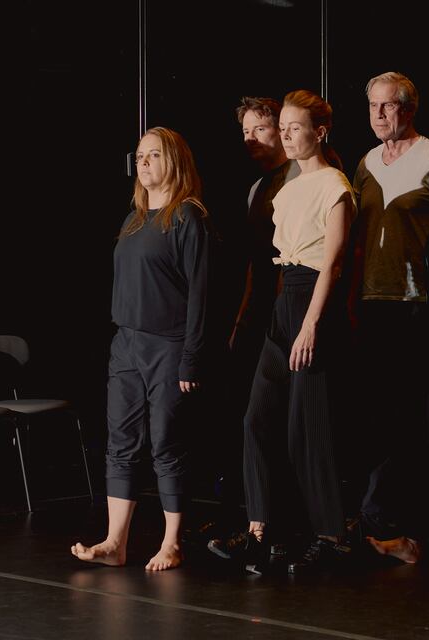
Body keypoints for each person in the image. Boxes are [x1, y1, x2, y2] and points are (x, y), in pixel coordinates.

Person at [72, 126, 210, 571]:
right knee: (121, 441)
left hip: (168, 346)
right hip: (126, 345)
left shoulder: (187, 217)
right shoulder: (132, 219)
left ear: (175, 161)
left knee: (166, 441)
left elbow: (201, 296)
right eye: (139, 155)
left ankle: (172, 542)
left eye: (153, 154)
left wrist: (191, 358)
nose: (143, 162)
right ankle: (115, 543)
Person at [240, 89, 356, 573]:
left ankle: (331, 537)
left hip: (315, 304)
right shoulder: (286, 189)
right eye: (282, 128)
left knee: (307, 429)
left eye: (295, 128)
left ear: (319, 132)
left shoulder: (335, 185)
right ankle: (262, 531)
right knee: (257, 420)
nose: (286, 136)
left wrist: (310, 326)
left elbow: (333, 265)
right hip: (284, 301)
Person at [350, 71, 429, 564]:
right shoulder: (367, 163)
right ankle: (378, 521)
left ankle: (422, 529)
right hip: (372, 304)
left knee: (421, 421)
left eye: (388, 105)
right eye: (372, 105)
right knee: (378, 418)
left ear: (409, 109)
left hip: (420, 304)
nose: (378, 114)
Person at [204, 97, 300, 556]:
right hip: (259, 313)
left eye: (260, 128)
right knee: (245, 416)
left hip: (290, 312)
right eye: (245, 131)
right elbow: (253, 263)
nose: (250, 139)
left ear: (282, 130)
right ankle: (246, 516)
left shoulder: (298, 177)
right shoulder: (257, 186)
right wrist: (241, 319)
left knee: (275, 420)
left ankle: (278, 525)